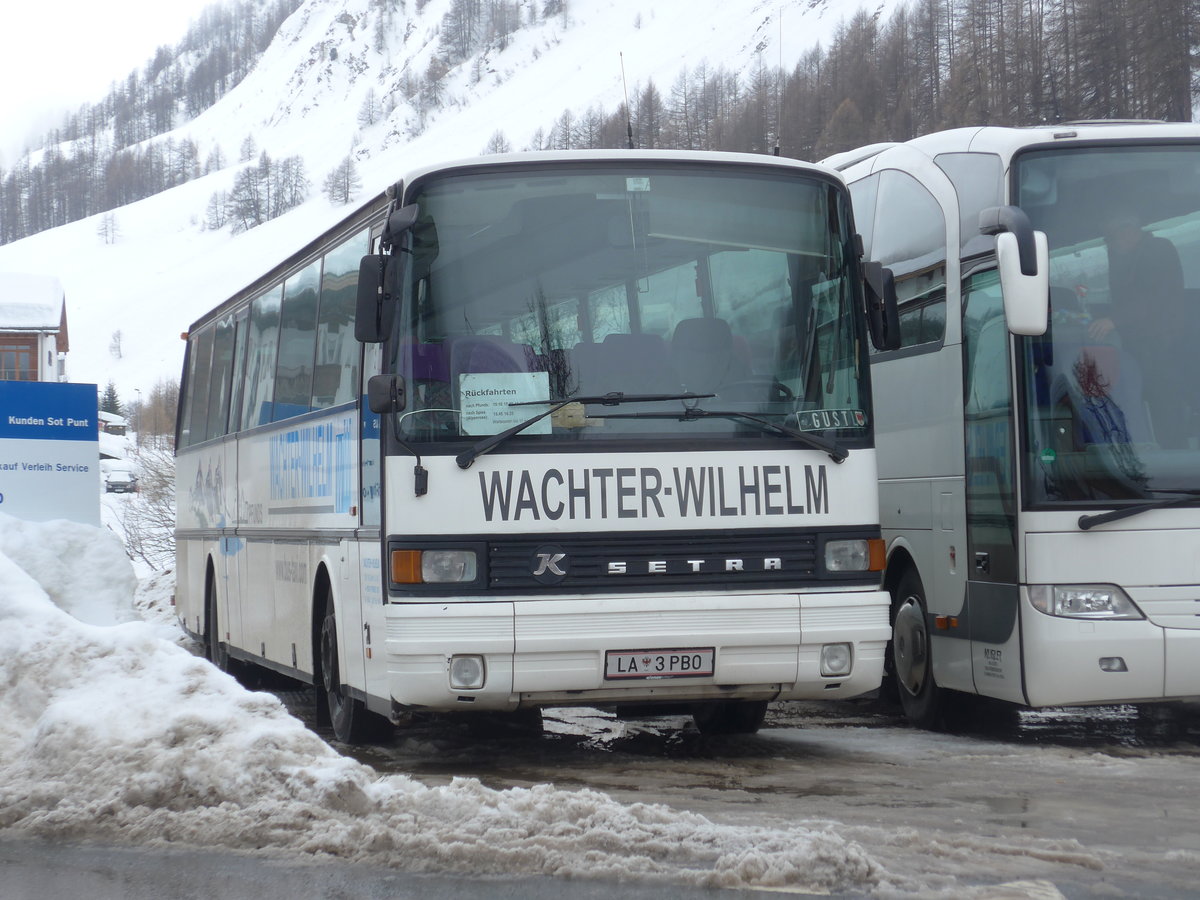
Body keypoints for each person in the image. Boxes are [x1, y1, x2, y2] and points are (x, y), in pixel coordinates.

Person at [1087, 212, 1187, 446]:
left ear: (1129, 230)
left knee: (1165, 404)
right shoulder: (1128, 254)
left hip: (1162, 344)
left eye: (1110, 238)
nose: (1109, 244)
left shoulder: (1157, 249)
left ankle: (1174, 456)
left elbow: (1156, 296)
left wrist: (1114, 321)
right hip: (1143, 345)